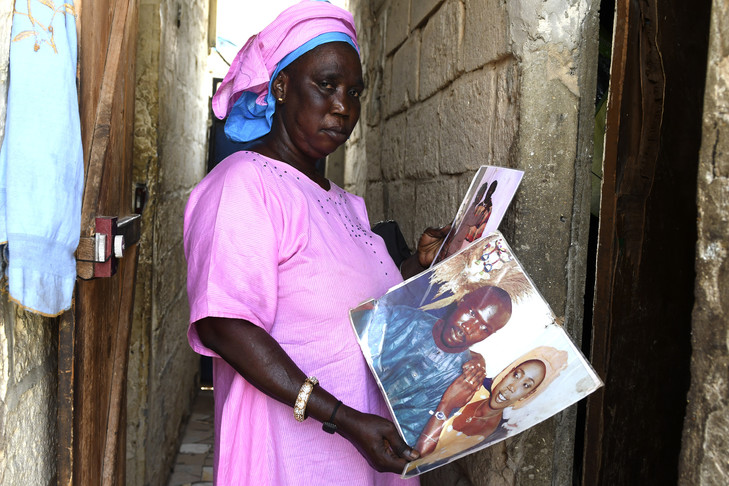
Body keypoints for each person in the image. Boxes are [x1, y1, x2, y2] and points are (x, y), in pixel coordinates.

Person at [183, 2, 447, 484]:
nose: (343, 106)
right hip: (293, 461)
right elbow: (224, 323)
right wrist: (341, 417)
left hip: (367, 457)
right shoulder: (244, 185)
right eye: (326, 85)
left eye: (353, 91)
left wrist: (416, 265)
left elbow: (348, 304)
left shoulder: (345, 203)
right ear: (281, 87)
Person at [362, 285, 513, 446]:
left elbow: (409, 440)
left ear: (489, 336)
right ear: (462, 300)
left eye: (484, 329)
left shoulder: (461, 382)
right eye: (471, 313)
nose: (468, 328)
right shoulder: (403, 318)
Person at [412, 346, 568, 459]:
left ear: (527, 395)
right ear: (507, 373)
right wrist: (477, 358)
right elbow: (443, 349)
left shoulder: (489, 436)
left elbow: (421, 454)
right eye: (516, 375)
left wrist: (446, 405)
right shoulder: (475, 385)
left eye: (526, 385)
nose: (512, 388)